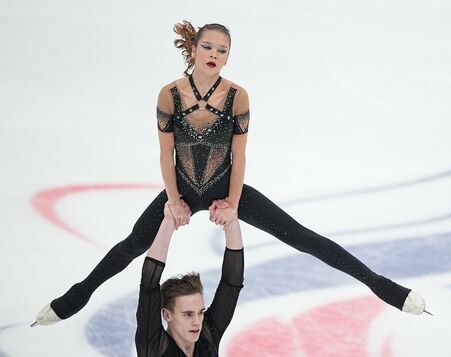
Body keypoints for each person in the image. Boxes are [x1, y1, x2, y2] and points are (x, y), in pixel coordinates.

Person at [32, 21, 428, 327]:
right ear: (193, 47)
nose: (214, 55)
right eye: (208, 47)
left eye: (222, 50)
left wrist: (233, 203)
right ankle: (74, 298)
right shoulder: (168, 95)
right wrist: (173, 200)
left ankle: (384, 287)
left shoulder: (238, 96)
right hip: (182, 188)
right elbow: (164, 154)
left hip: (226, 187)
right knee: (132, 245)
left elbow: (240, 157)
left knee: (304, 238)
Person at [135, 202, 243, 357]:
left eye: (200, 312)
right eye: (188, 314)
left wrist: (231, 220)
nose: (197, 322)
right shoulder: (155, 347)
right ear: (167, 315)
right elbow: (148, 283)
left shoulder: (207, 338)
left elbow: (232, 282)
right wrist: (169, 221)